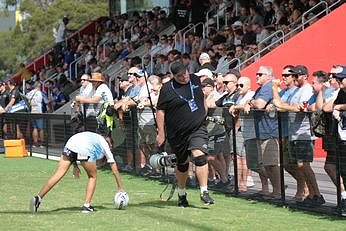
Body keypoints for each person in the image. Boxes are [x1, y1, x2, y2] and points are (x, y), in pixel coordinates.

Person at [156, 61, 214, 207]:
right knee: (182, 164)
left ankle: (204, 192)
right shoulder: (167, 89)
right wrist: (161, 133)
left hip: (197, 128)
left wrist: (202, 114)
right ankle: (182, 194)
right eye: (180, 76)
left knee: (200, 156)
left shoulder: (194, 79)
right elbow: (160, 111)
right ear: (173, 76)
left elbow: (201, 98)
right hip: (177, 133)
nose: (184, 77)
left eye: (185, 73)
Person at [30, 131, 124, 213]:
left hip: (71, 143)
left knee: (58, 174)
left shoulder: (95, 137)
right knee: (92, 176)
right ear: (110, 144)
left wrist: (75, 165)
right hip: (84, 148)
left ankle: (38, 198)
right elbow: (114, 169)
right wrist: (120, 188)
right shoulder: (105, 145)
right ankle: (86, 206)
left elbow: (78, 146)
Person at [26, 81, 45, 148]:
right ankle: (41, 143)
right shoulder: (39, 92)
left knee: (35, 128)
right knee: (41, 128)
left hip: (32, 111)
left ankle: (35, 143)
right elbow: (42, 101)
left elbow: (26, 99)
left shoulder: (30, 93)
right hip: (39, 111)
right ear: (39, 86)